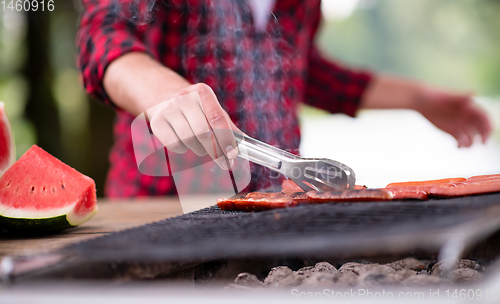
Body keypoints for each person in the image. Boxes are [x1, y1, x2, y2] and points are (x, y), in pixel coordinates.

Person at [77, 0, 492, 198]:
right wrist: (162, 94)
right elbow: (103, 33)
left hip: (277, 203)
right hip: (159, 206)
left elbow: (306, 72)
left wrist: (417, 97)